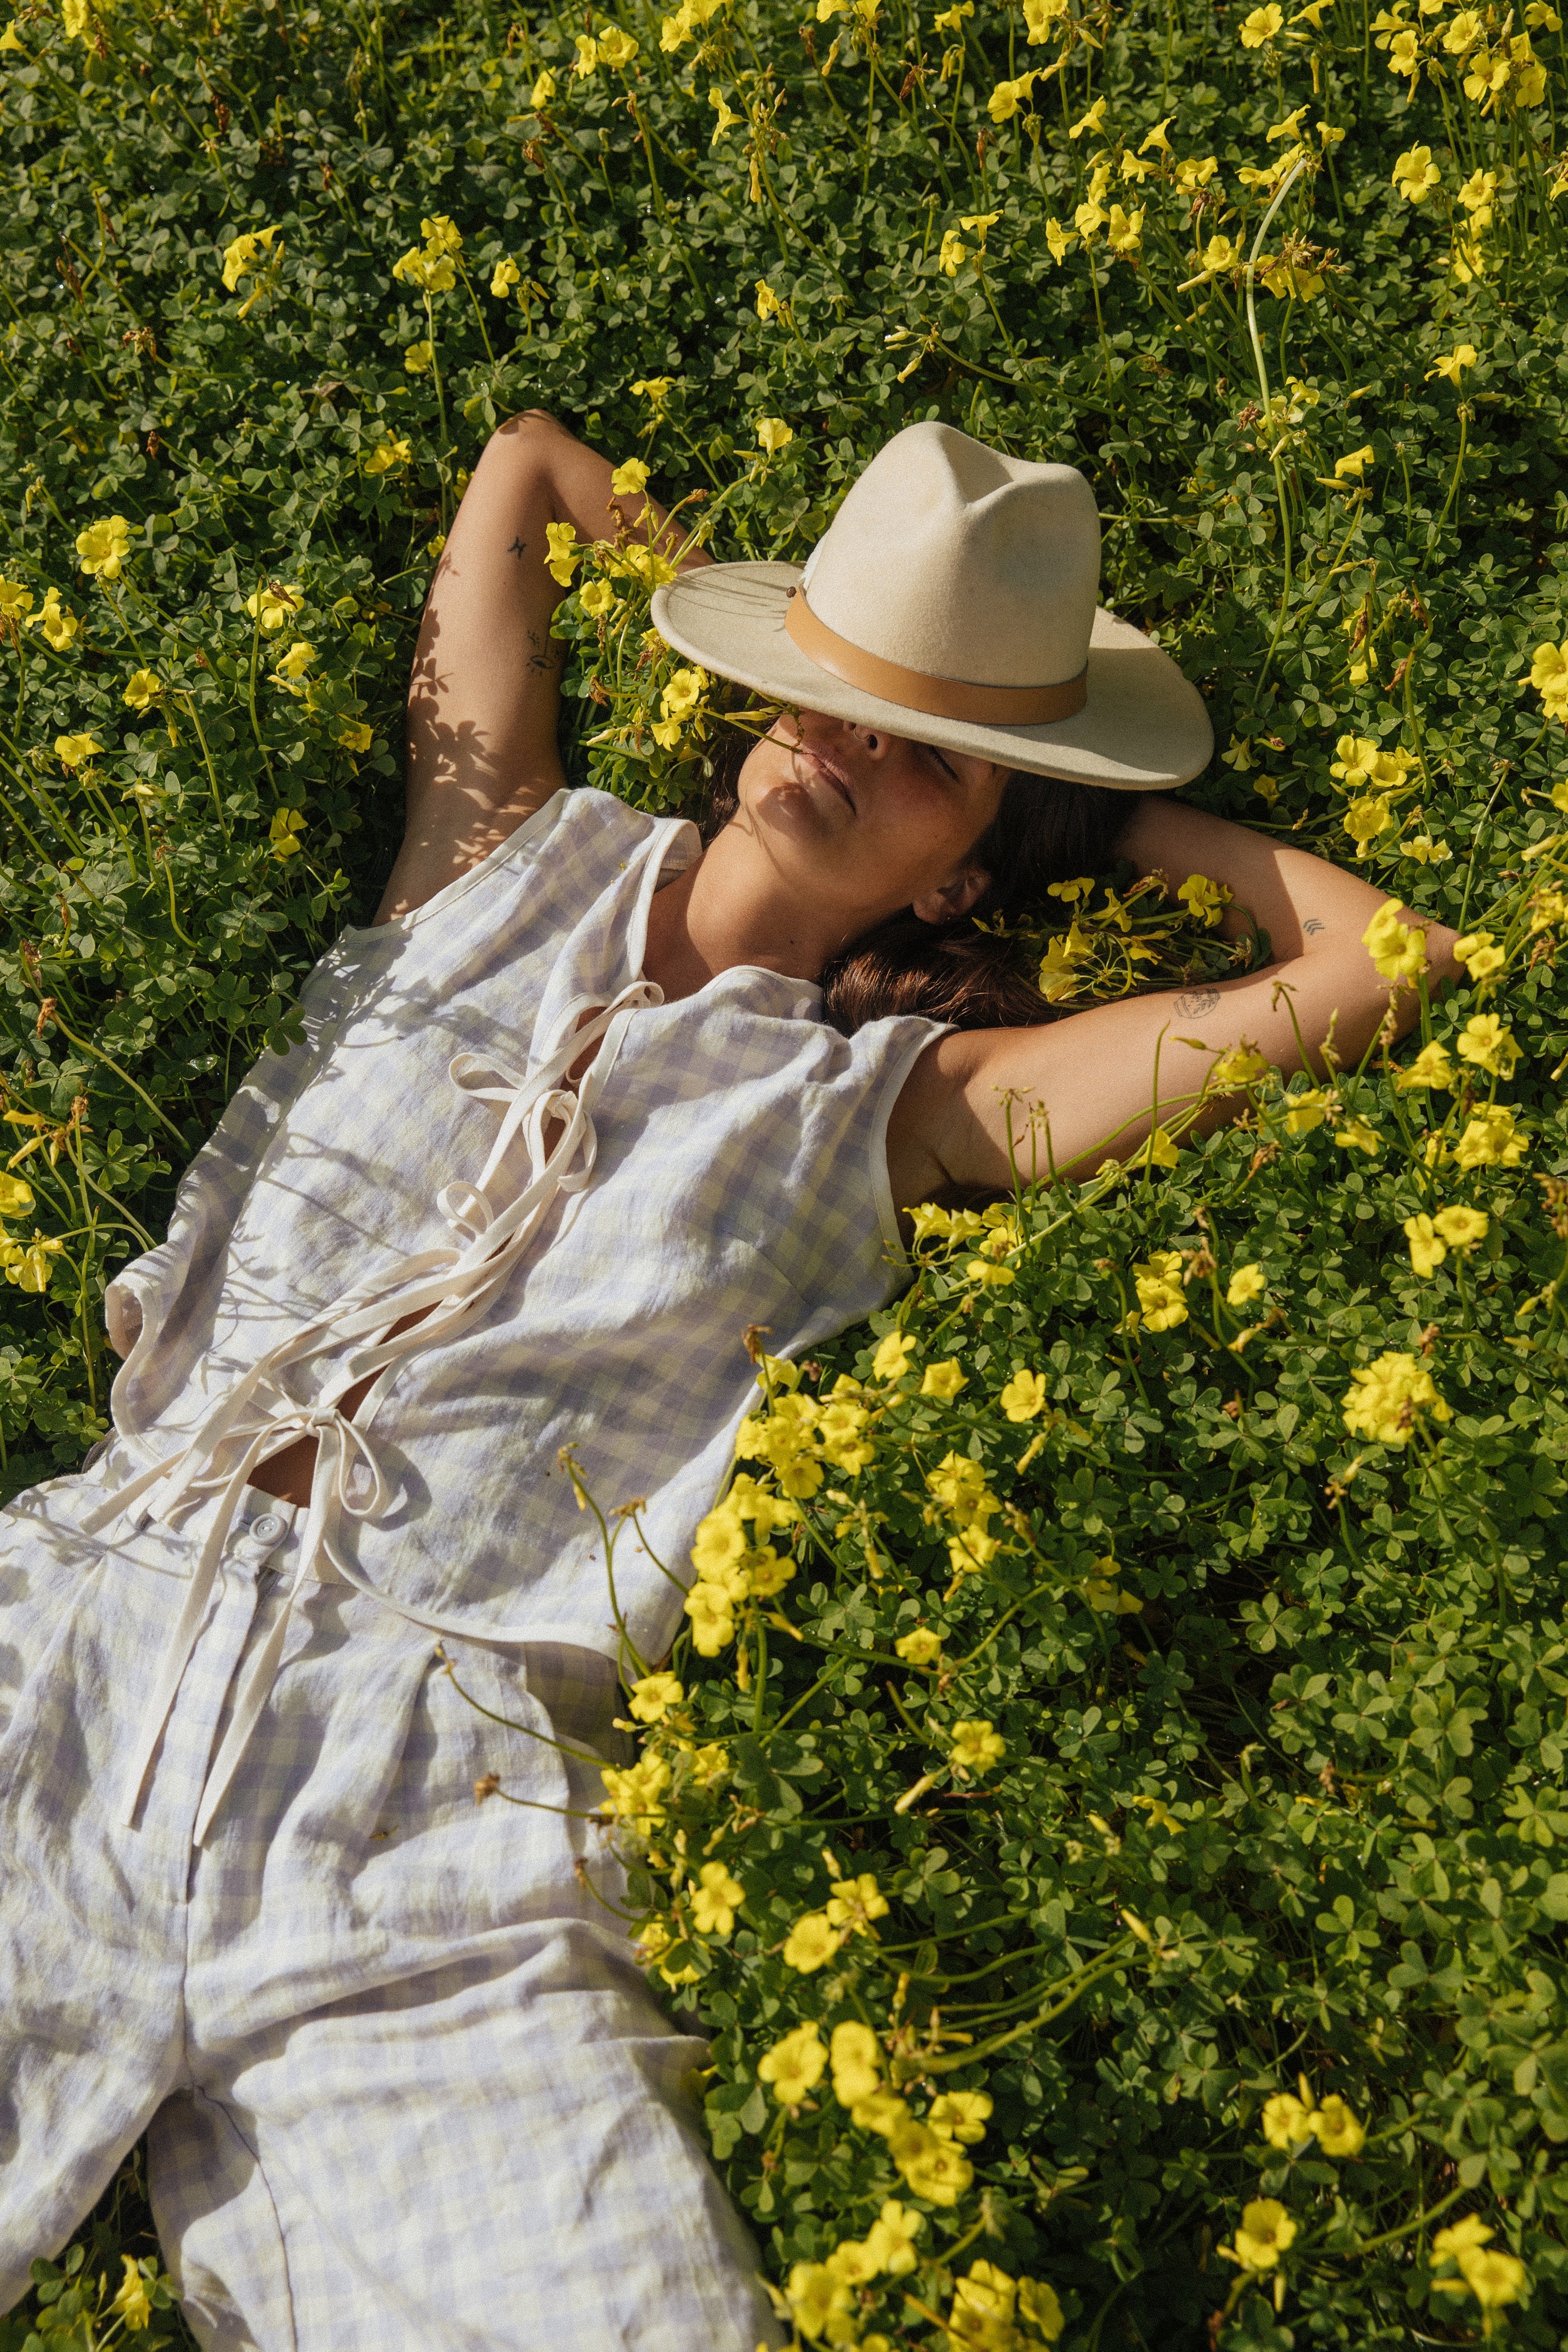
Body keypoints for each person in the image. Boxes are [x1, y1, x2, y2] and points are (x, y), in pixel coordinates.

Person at [0, 413, 1455, 2347]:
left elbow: (1377, 960)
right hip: (81, 1641)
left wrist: (1110, 818)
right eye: (824, 697)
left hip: (434, 1817)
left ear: (966, 869)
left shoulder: (910, 1109)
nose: (843, 746)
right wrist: (700, 570)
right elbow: (517, 468)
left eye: (924, 758)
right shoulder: (496, 856)